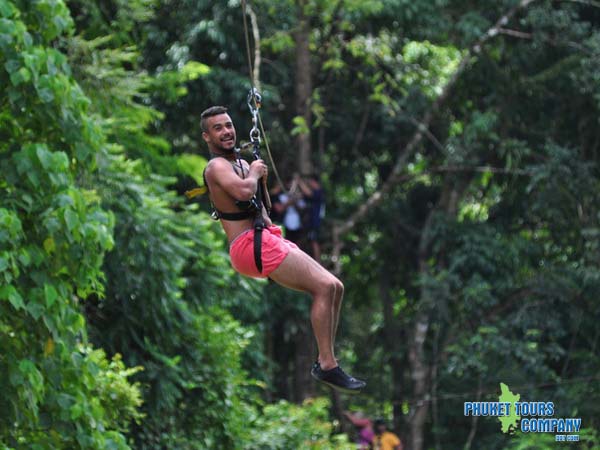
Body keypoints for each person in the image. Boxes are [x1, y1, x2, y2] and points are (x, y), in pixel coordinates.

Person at [200, 106, 366, 394]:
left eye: (228, 125)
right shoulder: (216, 167)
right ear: (207, 137)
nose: (226, 131)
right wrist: (254, 173)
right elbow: (242, 192)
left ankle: (328, 361)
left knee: (335, 286)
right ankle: (326, 365)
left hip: (266, 237)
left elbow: (262, 208)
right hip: (248, 246)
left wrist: (259, 178)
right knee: (324, 286)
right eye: (218, 128)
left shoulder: (239, 163)